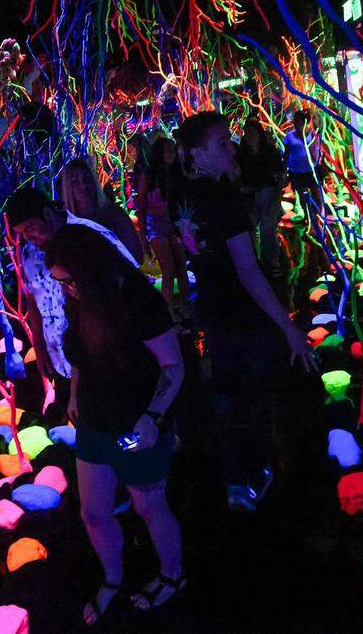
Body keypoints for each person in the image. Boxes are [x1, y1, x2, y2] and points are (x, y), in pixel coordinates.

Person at [175, 111, 319, 511]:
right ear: (197, 153)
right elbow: (248, 269)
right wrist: (288, 327)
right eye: (221, 142)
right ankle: (256, 477)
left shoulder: (183, 196)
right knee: (253, 397)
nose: (232, 146)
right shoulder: (224, 199)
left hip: (214, 311)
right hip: (245, 313)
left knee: (226, 396)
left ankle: (235, 481)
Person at [45, 224, 186, 624]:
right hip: (96, 427)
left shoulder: (139, 300)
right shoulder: (81, 298)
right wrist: (73, 394)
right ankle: (113, 578)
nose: (66, 289)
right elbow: (82, 355)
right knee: (93, 511)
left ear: (90, 270)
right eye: (60, 281)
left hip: (135, 430)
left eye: (69, 280)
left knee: (147, 503)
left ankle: (173, 575)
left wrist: (152, 419)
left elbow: (174, 366)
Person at [4, 186, 137, 385]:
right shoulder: (30, 252)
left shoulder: (91, 235)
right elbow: (33, 298)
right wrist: (39, 347)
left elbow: (130, 281)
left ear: (47, 214)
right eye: (21, 233)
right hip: (59, 360)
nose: (27, 237)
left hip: (102, 358)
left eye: (30, 228)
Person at [134, 136, 190, 316]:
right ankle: (168, 314)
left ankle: (185, 306)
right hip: (155, 225)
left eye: (172, 149)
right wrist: (143, 240)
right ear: (158, 153)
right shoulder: (149, 175)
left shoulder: (174, 173)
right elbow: (141, 207)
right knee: (168, 269)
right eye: (167, 150)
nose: (171, 154)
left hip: (171, 224)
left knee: (181, 264)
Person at [59, 158, 144, 264]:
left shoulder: (114, 215)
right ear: (67, 188)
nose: (83, 185)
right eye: (74, 181)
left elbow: (137, 256)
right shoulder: (67, 226)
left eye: (87, 178)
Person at [236, 119, 285, 275]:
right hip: (249, 194)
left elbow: (280, 172)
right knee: (249, 227)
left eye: (253, 132)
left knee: (267, 228)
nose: (250, 136)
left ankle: (271, 262)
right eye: (248, 133)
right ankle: (253, 263)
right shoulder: (241, 154)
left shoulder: (269, 151)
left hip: (267, 191)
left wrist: (277, 193)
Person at [282, 110, 324, 219]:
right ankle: (308, 219)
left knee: (317, 196)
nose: (298, 126)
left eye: (301, 123)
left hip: (312, 171)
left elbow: (319, 150)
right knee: (303, 197)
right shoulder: (290, 137)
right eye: (296, 123)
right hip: (296, 173)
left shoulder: (314, 134)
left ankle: (318, 218)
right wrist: (284, 171)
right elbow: (286, 155)